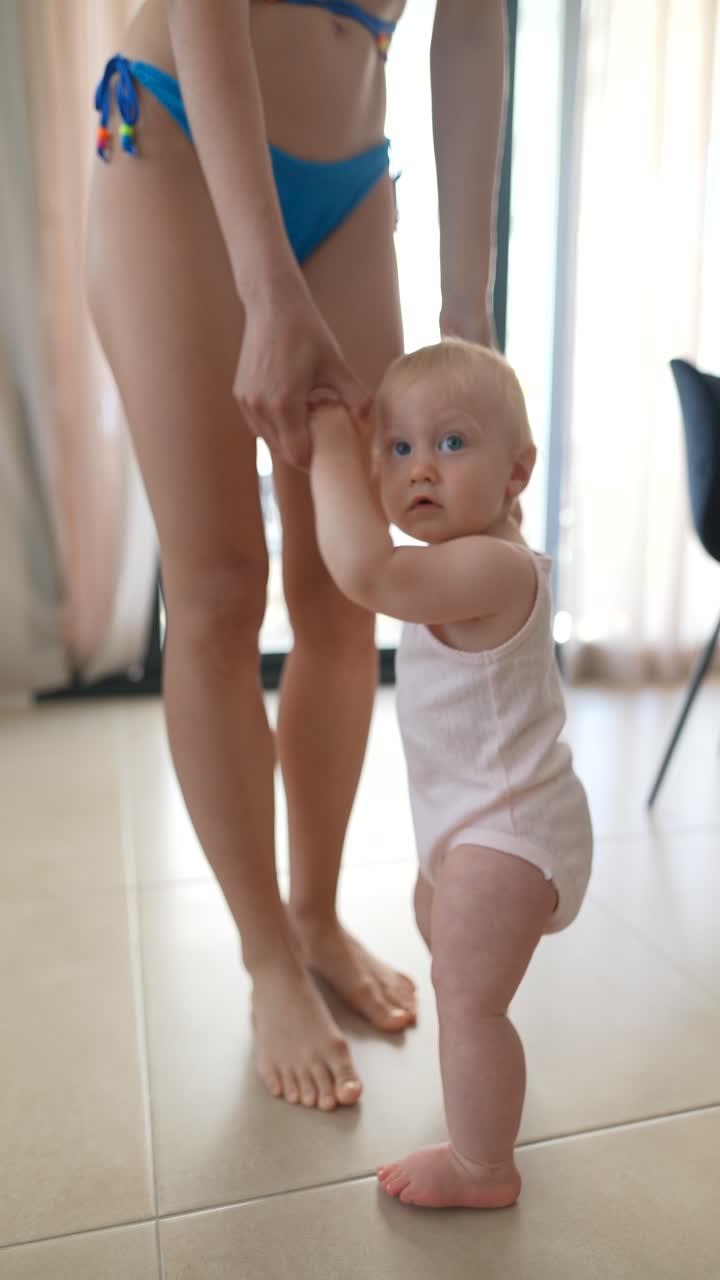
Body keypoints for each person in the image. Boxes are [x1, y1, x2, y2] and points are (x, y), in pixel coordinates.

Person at [85, 0, 507, 1112]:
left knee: (345, 587)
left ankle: (315, 915)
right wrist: (268, 288)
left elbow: (472, 26)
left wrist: (468, 306)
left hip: (352, 178)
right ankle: (267, 952)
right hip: (178, 130)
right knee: (221, 586)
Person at [308, 339, 593, 1207]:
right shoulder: (459, 560)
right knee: (440, 935)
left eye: (452, 443)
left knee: (468, 999)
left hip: (512, 831)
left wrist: (329, 436)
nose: (419, 469)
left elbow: (366, 571)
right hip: (474, 823)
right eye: (397, 448)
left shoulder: (491, 567)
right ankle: (484, 1073)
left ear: (517, 472)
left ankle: (483, 1167)